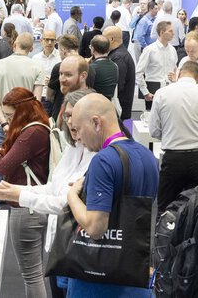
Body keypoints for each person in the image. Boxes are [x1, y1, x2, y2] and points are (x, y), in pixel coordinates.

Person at [0, 89, 97, 298]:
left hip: (76, 240)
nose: (70, 123)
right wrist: (17, 191)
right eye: (66, 117)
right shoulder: (74, 149)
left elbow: (64, 201)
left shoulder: (34, 132)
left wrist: (18, 194)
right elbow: (54, 187)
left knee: (33, 275)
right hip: (59, 235)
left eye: (73, 117)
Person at [65, 94, 159, 298]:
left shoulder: (103, 160)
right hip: (136, 277)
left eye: (79, 129)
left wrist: (72, 196)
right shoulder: (149, 157)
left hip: (99, 283)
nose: (78, 137)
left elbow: (95, 227)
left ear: (96, 122)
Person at [0, 87, 50, 298]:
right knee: (37, 272)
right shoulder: (40, 126)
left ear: (21, 111)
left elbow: (3, 167)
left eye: (9, 115)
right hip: (35, 205)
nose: (7, 120)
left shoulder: (31, 132)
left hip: (25, 208)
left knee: (32, 276)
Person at [149, 60, 198, 211]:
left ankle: (164, 234)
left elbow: (154, 131)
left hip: (172, 157)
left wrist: (171, 134)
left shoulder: (162, 94)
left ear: (179, 72)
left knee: (165, 209)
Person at [0, 33, 44, 124]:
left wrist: (4, 124)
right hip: (25, 123)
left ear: (14, 45)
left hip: (3, 121)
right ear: (31, 48)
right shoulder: (38, 67)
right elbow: (36, 102)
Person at [136, 20, 178, 111]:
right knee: (151, 119)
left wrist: (175, 78)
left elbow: (175, 68)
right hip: (153, 89)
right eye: (170, 31)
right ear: (162, 33)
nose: (173, 33)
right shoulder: (149, 50)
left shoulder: (172, 50)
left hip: (169, 89)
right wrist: (145, 92)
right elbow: (139, 72)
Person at [105, 26, 137, 121]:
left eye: (104, 38)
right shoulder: (119, 54)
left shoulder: (119, 57)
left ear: (111, 39)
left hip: (119, 110)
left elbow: (117, 85)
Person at [88, 35, 119, 100]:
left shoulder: (91, 68)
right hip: (109, 102)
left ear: (93, 49)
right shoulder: (115, 65)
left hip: (94, 102)